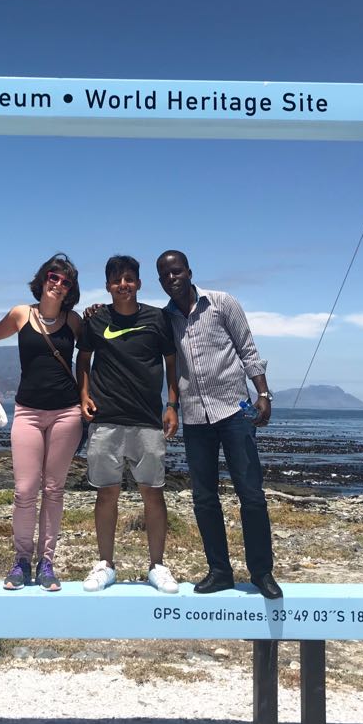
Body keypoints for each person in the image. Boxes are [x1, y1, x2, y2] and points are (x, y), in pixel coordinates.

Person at [156, 250, 282, 599]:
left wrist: (264, 393)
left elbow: (247, 349)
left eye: (177, 272)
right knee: (204, 498)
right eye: (165, 275)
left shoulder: (222, 303)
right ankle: (220, 571)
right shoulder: (164, 320)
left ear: (189, 272)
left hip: (234, 413)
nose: (172, 279)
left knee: (252, 495)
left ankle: (261, 573)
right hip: (195, 417)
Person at [76, 255, 180, 594]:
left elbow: (170, 364)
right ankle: (105, 564)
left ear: (138, 282)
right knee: (107, 494)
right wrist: (84, 396)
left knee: (153, 493)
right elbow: (84, 361)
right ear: (108, 286)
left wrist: (172, 405)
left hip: (147, 419)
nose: (124, 284)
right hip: (106, 419)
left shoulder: (158, 319)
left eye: (129, 279)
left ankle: (157, 566)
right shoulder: (95, 320)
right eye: (117, 280)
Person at [0, 254, 84, 591]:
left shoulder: (74, 321)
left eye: (65, 282)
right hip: (26, 412)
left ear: (71, 289)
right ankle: (21, 561)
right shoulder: (20, 314)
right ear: (43, 279)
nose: (58, 284)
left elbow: (90, 358)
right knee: (25, 490)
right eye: (54, 277)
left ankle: (47, 563)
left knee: (54, 489)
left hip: (67, 413)